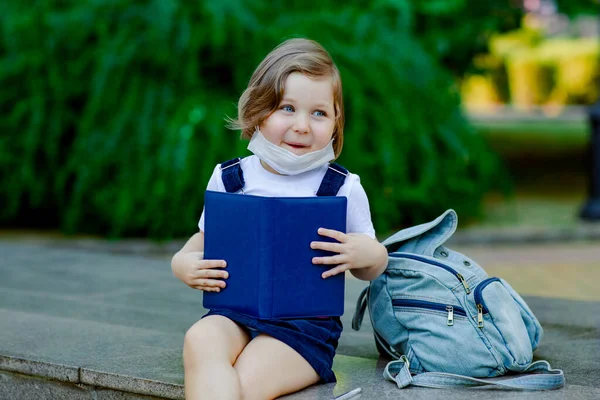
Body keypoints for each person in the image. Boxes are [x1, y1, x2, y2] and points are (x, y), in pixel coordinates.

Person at [171, 38, 388, 400]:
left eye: (319, 113)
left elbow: (374, 262)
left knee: (244, 381)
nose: (302, 125)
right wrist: (183, 264)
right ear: (259, 110)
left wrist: (365, 255)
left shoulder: (340, 188)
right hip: (234, 314)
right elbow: (201, 242)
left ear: (336, 122)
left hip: (303, 329)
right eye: (287, 108)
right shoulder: (230, 179)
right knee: (200, 338)